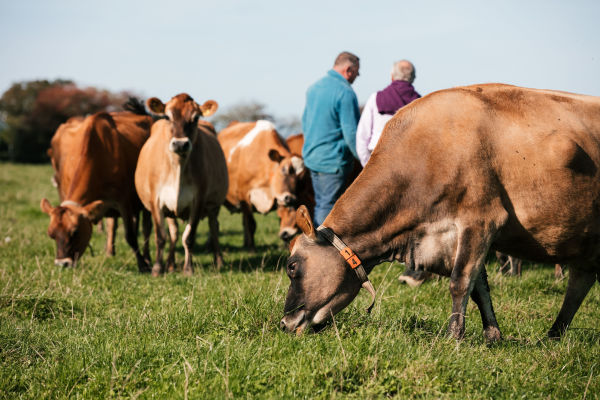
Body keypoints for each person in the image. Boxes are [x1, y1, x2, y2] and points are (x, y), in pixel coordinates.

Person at [301, 51, 361, 226]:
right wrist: (365, 159)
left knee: (321, 202)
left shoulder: (313, 88)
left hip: (312, 158)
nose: (357, 77)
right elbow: (351, 133)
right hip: (333, 161)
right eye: (357, 72)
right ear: (348, 69)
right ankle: (322, 246)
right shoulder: (345, 92)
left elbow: (306, 123)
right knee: (328, 206)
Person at [356, 60, 421, 167]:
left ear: (392, 76)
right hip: (409, 163)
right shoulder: (420, 103)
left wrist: (367, 166)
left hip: (377, 161)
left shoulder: (376, 98)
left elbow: (362, 136)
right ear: (413, 78)